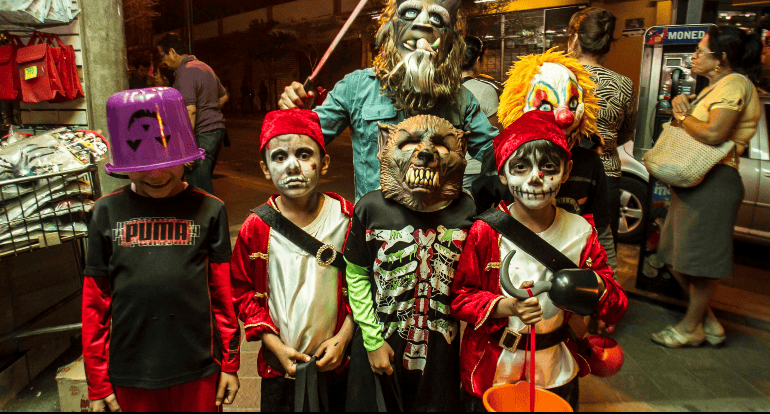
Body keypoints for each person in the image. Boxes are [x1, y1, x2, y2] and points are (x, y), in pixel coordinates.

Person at [452, 110, 627, 412]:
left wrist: (593, 286)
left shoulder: (582, 232)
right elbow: (460, 297)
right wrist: (507, 306)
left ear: (567, 169)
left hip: (555, 365)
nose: (535, 178)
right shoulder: (487, 231)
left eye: (548, 166)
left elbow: (615, 304)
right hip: (495, 366)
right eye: (520, 167)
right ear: (503, 173)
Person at [82, 87, 240, 412]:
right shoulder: (105, 213)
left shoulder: (210, 210)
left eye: (168, 160)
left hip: (200, 370)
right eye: (143, 162)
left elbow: (224, 296)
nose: (157, 173)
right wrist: (98, 382)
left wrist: (230, 364)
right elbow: (94, 305)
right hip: (131, 374)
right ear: (125, 160)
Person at [279, 0, 498, 200]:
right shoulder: (356, 87)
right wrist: (296, 115)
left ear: (451, 42)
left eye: (437, 19)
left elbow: (499, 155)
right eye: (410, 14)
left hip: (439, 231)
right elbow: (300, 145)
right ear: (391, 29)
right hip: (374, 230)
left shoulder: (461, 99)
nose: (423, 24)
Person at [344, 114, 476, 412]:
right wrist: (372, 340)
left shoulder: (466, 210)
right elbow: (356, 273)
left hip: (441, 352)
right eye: (411, 142)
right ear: (384, 145)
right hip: (380, 342)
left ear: (462, 151)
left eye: (441, 146)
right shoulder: (370, 208)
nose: (425, 153)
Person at [230, 109, 355, 412]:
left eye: (303, 154)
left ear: (323, 163)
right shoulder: (256, 228)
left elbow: (364, 284)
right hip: (280, 367)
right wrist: (273, 345)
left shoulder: (346, 219)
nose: (293, 167)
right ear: (264, 168)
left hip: (336, 362)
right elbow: (242, 290)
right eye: (279, 157)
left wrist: (343, 337)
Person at [651, 25, 762, 348]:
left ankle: (690, 329)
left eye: (700, 51)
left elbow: (715, 134)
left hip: (715, 182)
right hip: (696, 184)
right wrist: (680, 109)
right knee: (672, 255)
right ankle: (708, 321)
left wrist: (684, 118)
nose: (694, 57)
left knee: (700, 265)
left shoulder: (735, 84)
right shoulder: (713, 88)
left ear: (721, 58)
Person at [471, 49, 619, 276]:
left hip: (568, 275)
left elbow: (602, 232)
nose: (565, 116)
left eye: (572, 103)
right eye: (546, 106)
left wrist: (606, 283)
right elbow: (481, 220)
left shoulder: (589, 163)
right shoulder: (498, 158)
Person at [567, 8, 637, 247]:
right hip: (606, 175)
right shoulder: (623, 84)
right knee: (601, 248)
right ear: (607, 45)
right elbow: (626, 132)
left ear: (576, 39)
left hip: (564, 172)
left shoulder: (558, 76)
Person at [156, 33, 229, 195]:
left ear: (173, 52)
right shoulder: (204, 66)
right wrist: (208, 108)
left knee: (199, 189)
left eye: (163, 56)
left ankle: (211, 219)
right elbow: (223, 97)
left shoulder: (186, 72)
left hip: (202, 134)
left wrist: (186, 147)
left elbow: (190, 111)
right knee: (201, 181)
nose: (163, 62)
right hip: (216, 132)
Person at [461, 36, 502, 190]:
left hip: (448, 167)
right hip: (475, 169)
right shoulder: (486, 90)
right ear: (478, 60)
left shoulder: (443, 88)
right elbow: (495, 135)